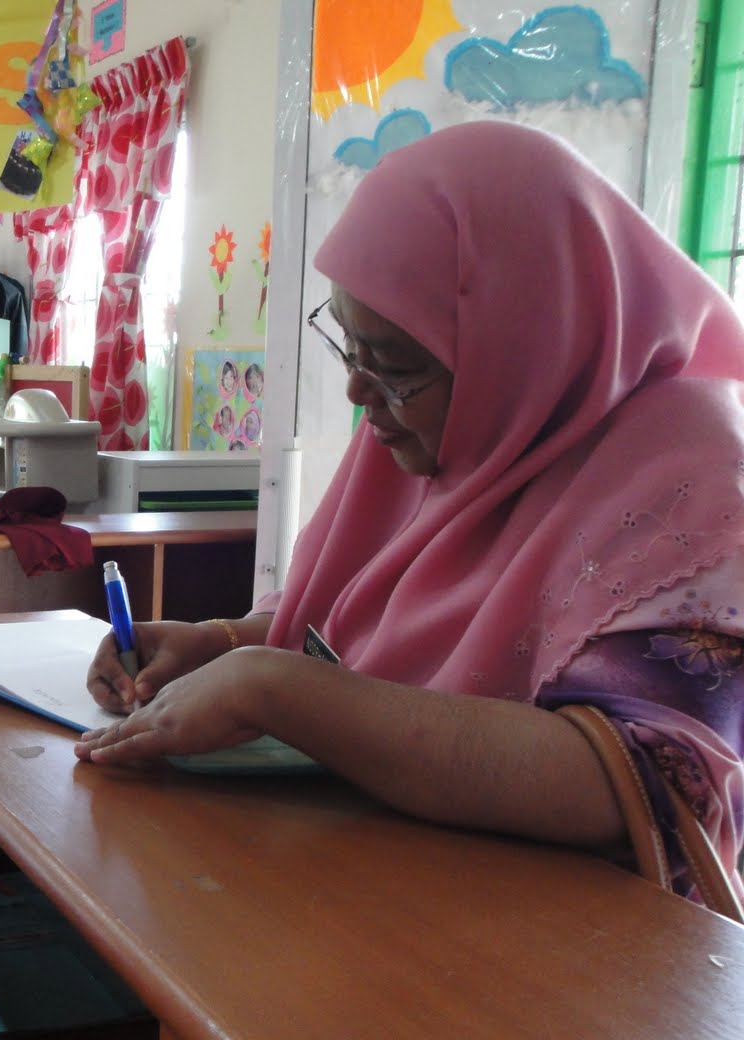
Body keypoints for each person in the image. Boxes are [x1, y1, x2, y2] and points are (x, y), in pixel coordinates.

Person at [79, 120, 744, 910]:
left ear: (523, 345)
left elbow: (644, 783)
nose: (362, 394)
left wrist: (275, 689)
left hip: (580, 965)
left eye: (394, 366)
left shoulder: (695, 481)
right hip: (390, 895)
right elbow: (365, 637)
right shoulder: (445, 432)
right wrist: (219, 645)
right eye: (349, 350)